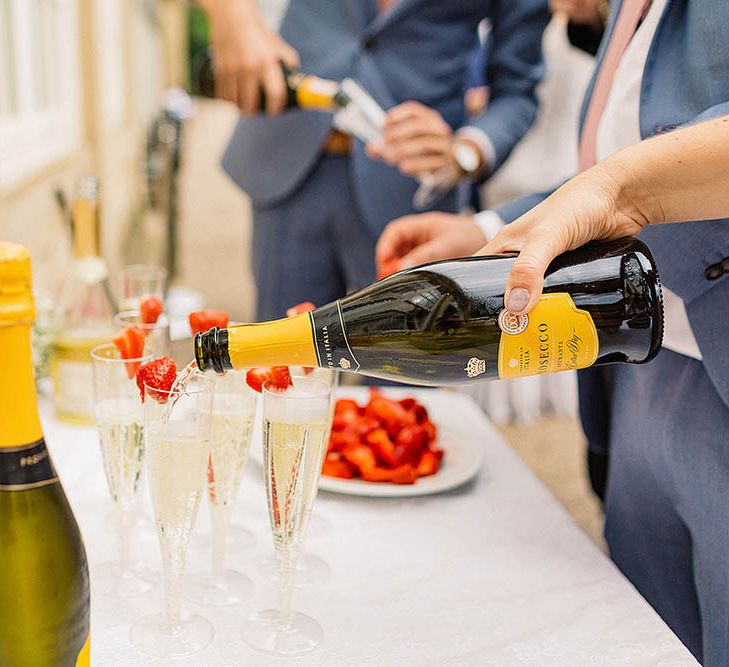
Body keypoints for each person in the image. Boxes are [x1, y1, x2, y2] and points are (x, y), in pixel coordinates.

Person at [376, 0, 729, 661]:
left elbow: (627, 177)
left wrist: (620, 189)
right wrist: (483, 228)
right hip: (640, 369)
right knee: (646, 634)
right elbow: (619, 156)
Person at [196, 0, 549, 320]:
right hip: (290, 162)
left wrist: (464, 152)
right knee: (284, 369)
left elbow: (516, 91)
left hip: (411, 194)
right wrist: (232, 16)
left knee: (405, 377)